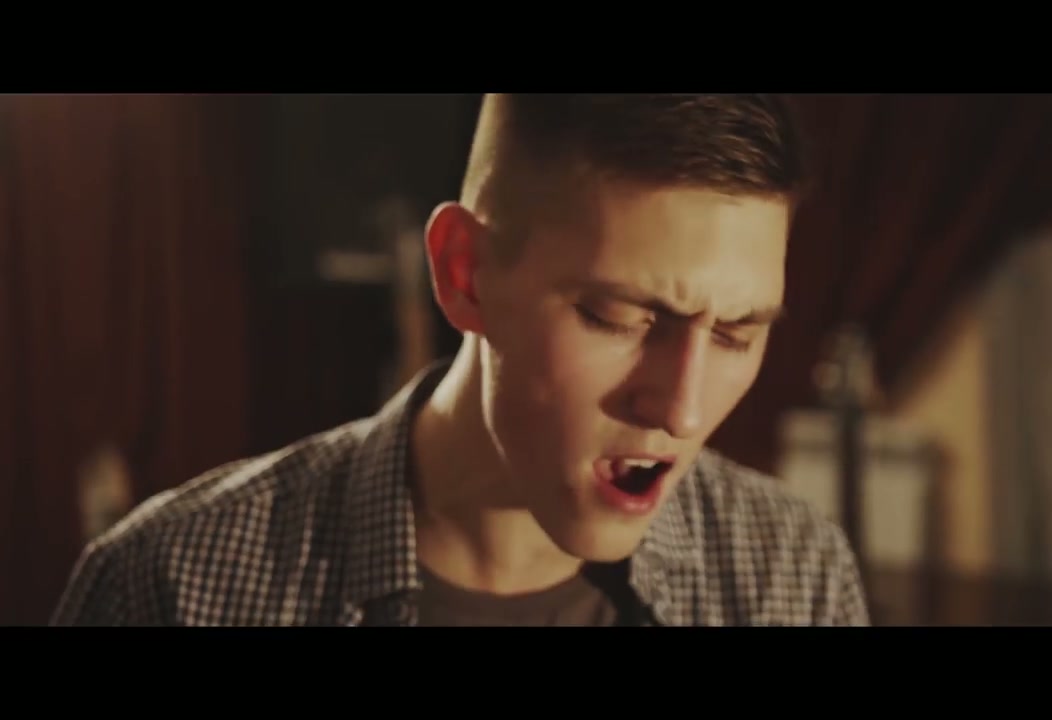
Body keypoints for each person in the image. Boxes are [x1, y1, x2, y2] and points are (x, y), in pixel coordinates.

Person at [51, 94, 871, 626]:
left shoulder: (793, 575)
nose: (683, 411)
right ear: (464, 273)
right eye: (619, 317)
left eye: (736, 333)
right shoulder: (171, 584)